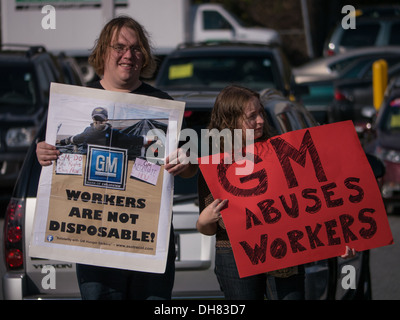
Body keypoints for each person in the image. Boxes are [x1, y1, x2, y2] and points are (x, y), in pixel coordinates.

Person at [36, 16, 197, 300]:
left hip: (148, 244)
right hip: (95, 247)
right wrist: (43, 152)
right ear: (102, 52)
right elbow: (52, 154)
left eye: (135, 49)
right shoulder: (74, 102)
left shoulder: (162, 104)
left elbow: (187, 170)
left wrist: (185, 163)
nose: (128, 55)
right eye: (119, 47)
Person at [196, 85, 356, 300]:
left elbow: (312, 202)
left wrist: (337, 237)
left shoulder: (282, 154)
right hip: (234, 255)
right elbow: (208, 228)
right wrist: (204, 220)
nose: (261, 120)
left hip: (284, 251)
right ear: (230, 121)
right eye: (252, 116)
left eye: (261, 112)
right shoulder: (214, 164)